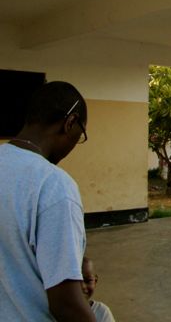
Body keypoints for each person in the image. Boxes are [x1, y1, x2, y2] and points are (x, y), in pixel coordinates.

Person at [0, 81, 95, 321]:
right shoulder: (54, 185)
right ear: (70, 123)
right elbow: (66, 305)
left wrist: (74, 260)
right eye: (80, 134)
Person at [81, 257, 116, 322]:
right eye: (76, 281)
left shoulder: (102, 312)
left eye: (88, 281)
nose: (83, 286)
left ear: (95, 281)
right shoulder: (57, 312)